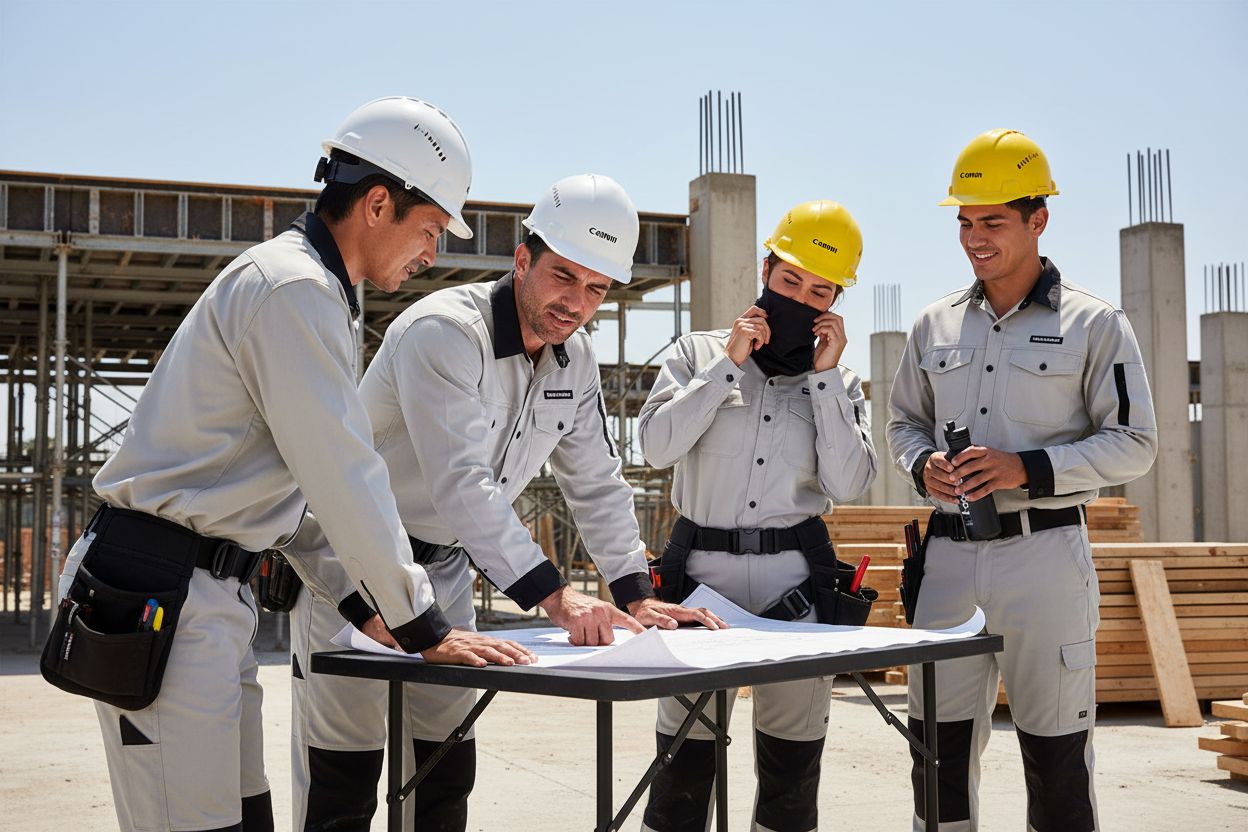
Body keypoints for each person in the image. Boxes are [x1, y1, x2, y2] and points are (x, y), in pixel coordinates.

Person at [50, 96, 532, 832]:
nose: (433, 253)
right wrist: (421, 622)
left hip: (208, 593)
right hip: (163, 590)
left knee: (242, 818)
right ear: (378, 204)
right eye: (431, 229)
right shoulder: (294, 290)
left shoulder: (319, 296)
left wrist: (364, 605)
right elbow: (345, 476)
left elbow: (294, 499)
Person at [287, 173, 726, 831]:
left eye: (596, 289)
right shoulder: (443, 333)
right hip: (357, 567)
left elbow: (597, 482)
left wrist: (636, 591)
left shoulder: (574, 361)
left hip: (446, 571)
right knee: (343, 774)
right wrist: (557, 595)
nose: (576, 303)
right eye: (563, 276)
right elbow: (462, 483)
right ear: (522, 261)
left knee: (443, 768)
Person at [887, 128, 1158, 831]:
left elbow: (1136, 444)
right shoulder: (932, 324)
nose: (976, 238)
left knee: (1056, 757)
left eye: (994, 222)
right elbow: (901, 425)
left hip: (1046, 559)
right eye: (965, 223)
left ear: (1039, 219)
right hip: (947, 562)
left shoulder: (1096, 325)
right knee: (936, 760)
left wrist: (1026, 468)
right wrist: (924, 466)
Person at [637, 200, 877, 832]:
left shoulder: (843, 383)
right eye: (789, 280)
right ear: (765, 270)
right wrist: (729, 366)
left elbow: (850, 483)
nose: (799, 296)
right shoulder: (697, 354)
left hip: (795, 590)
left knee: (791, 771)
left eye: (818, 289)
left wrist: (824, 381)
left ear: (835, 299)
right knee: (683, 764)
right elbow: (657, 446)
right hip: (698, 590)